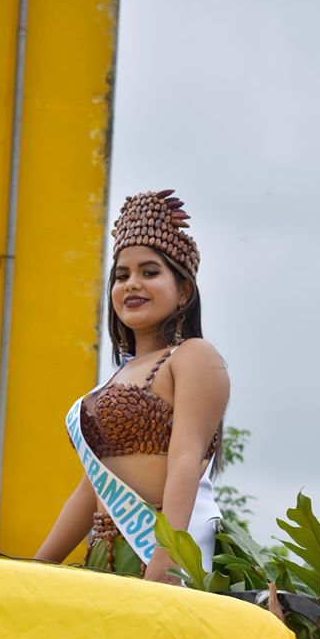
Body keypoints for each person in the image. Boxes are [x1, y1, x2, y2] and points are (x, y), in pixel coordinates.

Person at [34, 189, 229, 585]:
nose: (132, 284)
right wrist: (36, 567)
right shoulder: (111, 380)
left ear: (184, 291)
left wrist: (169, 559)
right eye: (122, 276)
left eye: (149, 272)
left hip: (157, 551)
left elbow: (185, 459)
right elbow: (90, 489)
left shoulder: (192, 356)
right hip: (103, 556)